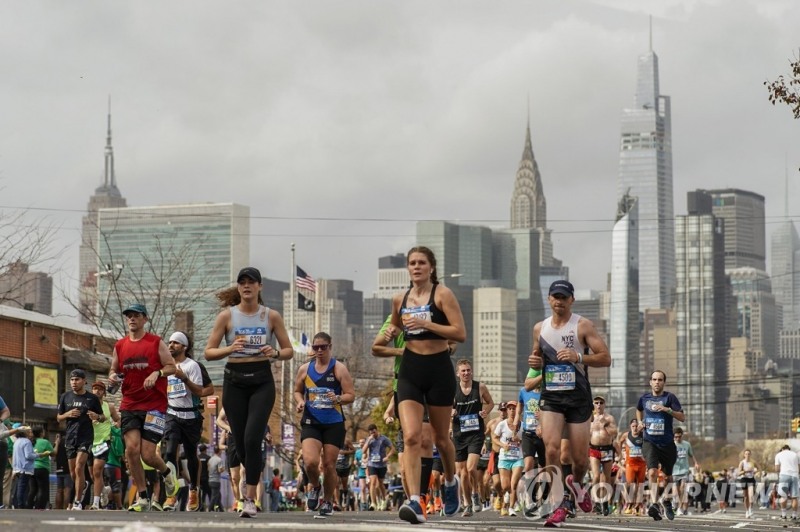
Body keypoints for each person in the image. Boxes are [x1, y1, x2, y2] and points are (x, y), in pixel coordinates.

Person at [384, 246, 466, 524]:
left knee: (441, 439)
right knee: (411, 437)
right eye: (411, 263)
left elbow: (460, 333)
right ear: (407, 268)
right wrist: (391, 332)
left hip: (439, 369)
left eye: (421, 263)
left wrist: (425, 323)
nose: (416, 267)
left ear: (431, 267)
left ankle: (451, 481)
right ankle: (416, 500)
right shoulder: (399, 299)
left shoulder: (442, 294)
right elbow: (395, 327)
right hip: (410, 370)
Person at [205, 266, 293, 518]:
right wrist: (230, 348)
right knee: (243, 444)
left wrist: (274, 352)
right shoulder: (227, 316)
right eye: (242, 282)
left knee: (254, 438)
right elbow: (209, 352)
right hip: (234, 381)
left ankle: (249, 499)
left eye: (251, 282)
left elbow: (288, 350)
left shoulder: (270, 316)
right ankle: (253, 469)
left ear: (259, 287)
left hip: (261, 381)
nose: (246, 286)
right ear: (238, 287)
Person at [527, 280, 611, 527]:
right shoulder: (539, 329)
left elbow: (605, 358)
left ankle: (576, 483)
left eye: (563, 297)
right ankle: (559, 501)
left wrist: (579, 356)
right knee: (551, 449)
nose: (559, 301)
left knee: (580, 461)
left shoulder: (583, 325)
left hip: (578, 397)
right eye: (555, 297)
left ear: (571, 300)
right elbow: (536, 356)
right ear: (549, 299)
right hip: (551, 397)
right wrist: (534, 364)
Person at [107, 303, 179, 512]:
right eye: (129, 316)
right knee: (131, 450)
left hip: (154, 405)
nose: (132, 319)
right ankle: (143, 497)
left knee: (148, 455)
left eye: (136, 316)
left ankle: (166, 472)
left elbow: (172, 366)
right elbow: (113, 369)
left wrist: (157, 373)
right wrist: (113, 377)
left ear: (145, 319)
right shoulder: (120, 345)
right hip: (129, 403)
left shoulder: (155, 342)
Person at [372, 312, 436, 516]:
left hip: (431, 382)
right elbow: (377, 347)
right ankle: (414, 499)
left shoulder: (437, 311)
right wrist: (403, 350)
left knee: (427, 440)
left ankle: (424, 495)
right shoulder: (395, 318)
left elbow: (453, 340)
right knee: (409, 443)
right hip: (405, 384)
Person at [293, 332, 355, 517]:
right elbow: (297, 391)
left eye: (323, 347)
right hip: (311, 421)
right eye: (316, 347)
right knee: (311, 462)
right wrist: (299, 402)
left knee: (329, 464)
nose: (319, 350)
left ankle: (328, 501)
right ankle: (315, 487)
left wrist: (338, 398)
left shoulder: (339, 368)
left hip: (333, 423)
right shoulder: (305, 369)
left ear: (330, 347)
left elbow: (350, 395)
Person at [163, 331, 205, 512]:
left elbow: (199, 391)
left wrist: (184, 378)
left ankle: (193, 490)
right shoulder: (165, 366)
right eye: (170, 342)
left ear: (184, 347)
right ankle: (171, 493)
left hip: (191, 417)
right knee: (170, 452)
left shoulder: (192, 366)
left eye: (176, 343)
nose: (171, 345)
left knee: (190, 455)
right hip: (172, 414)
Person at [636, 370, 685, 521]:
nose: (657, 382)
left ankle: (667, 502)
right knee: (651, 473)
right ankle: (654, 503)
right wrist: (639, 422)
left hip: (667, 443)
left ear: (664, 382)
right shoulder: (644, 398)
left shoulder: (670, 398)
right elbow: (638, 409)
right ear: (650, 382)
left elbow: (682, 417)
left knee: (668, 476)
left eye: (660, 380)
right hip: (650, 441)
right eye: (654, 380)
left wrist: (667, 409)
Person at [56, 368, 105, 510]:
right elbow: (58, 418)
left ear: (84, 381)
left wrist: (97, 417)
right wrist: (67, 414)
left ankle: (78, 502)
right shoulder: (65, 397)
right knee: (73, 473)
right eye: (72, 379)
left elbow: (102, 417)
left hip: (86, 437)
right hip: (70, 437)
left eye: (77, 379)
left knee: (79, 467)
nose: (74, 382)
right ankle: (83, 485)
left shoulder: (92, 398)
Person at [452, 358, 494, 517]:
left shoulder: (480, 387)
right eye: (463, 371)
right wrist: (451, 412)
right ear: (458, 374)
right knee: (461, 473)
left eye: (468, 370)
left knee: (470, 468)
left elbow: (490, 403)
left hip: (476, 433)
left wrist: (486, 411)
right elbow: (447, 407)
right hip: (459, 434)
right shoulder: (452, 389)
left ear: (472, 371)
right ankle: (468, 503)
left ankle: (475, 493)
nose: (466, 373)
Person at [89, 380, 120, 510]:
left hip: (103, 442)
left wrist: (113, 430)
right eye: (95, 389)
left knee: (97, 471)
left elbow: (118, 419)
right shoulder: (87, 405)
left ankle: (95, 503)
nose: (97, 391)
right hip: (89, 442)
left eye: (100, 389)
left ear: (104, 393)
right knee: (92, 475)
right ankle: (103, 491)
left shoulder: (109, 407)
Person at [493, 400, 524, 516]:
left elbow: (527, 441)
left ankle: (511, 507)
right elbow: (495, 438)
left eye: (514, 408)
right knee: (505, 486)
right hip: (504, 458)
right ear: (506, 411)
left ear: (518, 411)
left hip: (517, 458)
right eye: (510, 409)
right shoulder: (502, 424)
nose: (512, 411)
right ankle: (504, 498)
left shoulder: (523, 425)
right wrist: (503, 445)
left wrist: (520, 440)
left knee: (514, 484)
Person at [588, 395, 618, 516]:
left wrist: (605, 424)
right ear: (593, 405)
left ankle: (604, 503)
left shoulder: (609, 418)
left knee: (606, 478)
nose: (599, 405)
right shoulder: (590, 418)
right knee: (595, 477)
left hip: (607, 449)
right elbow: (585, 434)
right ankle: (596, 502)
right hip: (593, 449)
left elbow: (614, 433)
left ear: (604, 404)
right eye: (596, 402)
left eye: (601, 402)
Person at [362, 423, 394, 511]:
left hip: (382, 464)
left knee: (380, 484)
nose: (373, 434)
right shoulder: (369, 439)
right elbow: (363, 451)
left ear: (377, 430)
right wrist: (368, 441)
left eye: (374, 432)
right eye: (371, 433)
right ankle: (373, 503)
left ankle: (383, 499)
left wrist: (387, 457)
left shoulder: (384, 439)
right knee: (372, 482)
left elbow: (392, 449)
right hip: (371, 464)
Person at [618, 418, 646, 516]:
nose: (635, 428)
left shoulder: (643, 435)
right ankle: (630, 503)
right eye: (633, 426)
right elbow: (619, 441)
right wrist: (620, 454)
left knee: (640, 486)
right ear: (630, 426)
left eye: (636, 426)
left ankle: (637, 506)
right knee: (631, 485)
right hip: (630, 464)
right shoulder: (626, 435)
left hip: (641, 464)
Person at [672, 427, 699, 516]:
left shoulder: (687, 444)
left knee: (683, 489)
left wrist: (696, 463)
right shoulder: (671, 445)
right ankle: (677, 505)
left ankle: (680, 508)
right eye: (676, 437)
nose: (677, 439)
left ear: (682, 436)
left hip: (684, 471)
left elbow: (692, 455)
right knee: (677, 492)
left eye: (679, 437)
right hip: (674, 471)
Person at [11, 426, 39, 509]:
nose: (31, 433)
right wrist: (38, 455)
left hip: (17, 467)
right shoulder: (27, 442)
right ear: (24, 432)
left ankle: (16, 504)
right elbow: (28, 456)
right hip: (25, 468)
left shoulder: (17, 442)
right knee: (23, 488)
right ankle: (21, 505)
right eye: (29, 431)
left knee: (19, 487)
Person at [28, 427, 53, 510]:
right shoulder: (45, 442)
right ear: (41, 433)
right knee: (42, 489)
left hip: (31, 468)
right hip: (42, 468)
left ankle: (28, 506)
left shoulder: (30, 442)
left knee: (32, 489)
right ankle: (40, 507)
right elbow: (53, 453)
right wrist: (57, 443)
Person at [775, 444, 799, 520]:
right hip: (795, 475)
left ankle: (784, 514)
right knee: (794, 497)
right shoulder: (795, 455)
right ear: (789, 449)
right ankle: (794, 515)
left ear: (782, 449)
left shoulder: (779, 454)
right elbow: (799, 467)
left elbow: (777, 469)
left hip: (784, 475)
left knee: (783, 496)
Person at [53, 432, 73, 509]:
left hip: (58, 469)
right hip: (68, 469)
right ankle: (65, 508)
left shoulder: (57, 443)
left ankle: (58, 508)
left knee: (59, 490)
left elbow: (53, 456)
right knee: (67, 490)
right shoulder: (70, 442)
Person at [736, 449, 758, 519]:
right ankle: (747, 511)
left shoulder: (753, 462)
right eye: (746, 454)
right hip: (744, 479)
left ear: (750, 455)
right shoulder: (742, 462)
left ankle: (751, 509)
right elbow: (738, 473)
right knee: (746, 497)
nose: (747, 455)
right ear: (744, 455)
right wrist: (745, 471)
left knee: (751, 495)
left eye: (749, 454)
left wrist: (756, 471)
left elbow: (758, 469)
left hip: (751, 479)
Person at [197, 444, 211, 511]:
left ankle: (200, 506)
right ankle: (211, 507)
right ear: (205, 450)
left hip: (199, 478)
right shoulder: (208, 457)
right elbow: (209, 468)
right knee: (209, 492)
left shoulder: (197, 457)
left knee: (199, 492)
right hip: (206, 478)